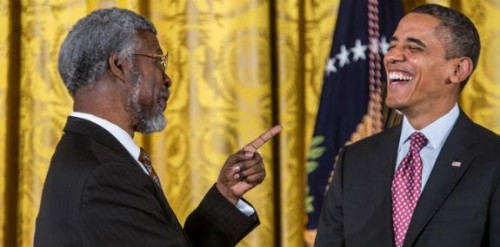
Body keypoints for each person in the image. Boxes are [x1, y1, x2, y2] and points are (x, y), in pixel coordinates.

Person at [34, 7, 281, 247]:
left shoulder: (86, 154)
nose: (167, 78)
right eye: (158, 61)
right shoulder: (106, 173)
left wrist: (226, 194)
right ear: (119, 66)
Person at [314, 4, 500, 247]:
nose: (392, 56)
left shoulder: (493, 159)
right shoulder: (354, 160)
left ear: (457, 69)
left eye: (414, 47)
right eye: (392, 46)